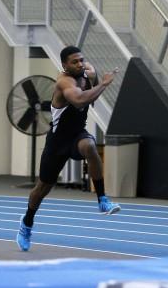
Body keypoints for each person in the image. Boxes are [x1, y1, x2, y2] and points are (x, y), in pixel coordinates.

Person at [16, 46, 121, 251]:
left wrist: (97, 80)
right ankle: (27, 223)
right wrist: (106, 83)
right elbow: (80, 100)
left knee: (90, 146)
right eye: (74, 62)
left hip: (77, 135)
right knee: (41, 189)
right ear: (64, 65)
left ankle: (102, 199)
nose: (80, 64)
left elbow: (92, 96)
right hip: (57, 142)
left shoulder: (88, 71)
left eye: (81, 60)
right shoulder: (64, 82)